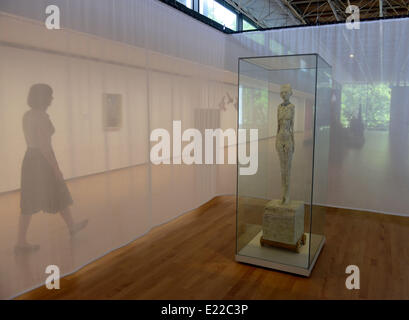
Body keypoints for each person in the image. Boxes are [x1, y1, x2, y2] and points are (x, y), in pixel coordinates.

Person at [16, 83, 88, 253]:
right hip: (41, 160)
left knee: (39, 196)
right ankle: (20, 242)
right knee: (53, 191)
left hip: (30, 158)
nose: (52, 98)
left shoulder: (27, 115)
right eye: (50, 95)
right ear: (43, 97)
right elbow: (44, 145)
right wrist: (56, 168)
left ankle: (71, 226)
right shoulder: (41, 117)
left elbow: (34, 141)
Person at [276, 84, 295, 205]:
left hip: (288, 138)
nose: (283, 94)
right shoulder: (279, 107)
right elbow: (277, 125)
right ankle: (283, 194)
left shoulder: (292, 107)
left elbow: (292, 126)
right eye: (282, 92)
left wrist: (293, 142)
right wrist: (275, 139)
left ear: (290, 93)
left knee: (287, 168)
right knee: (282, 169)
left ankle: (287, 195)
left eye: (286, 92)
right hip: (279, 139)